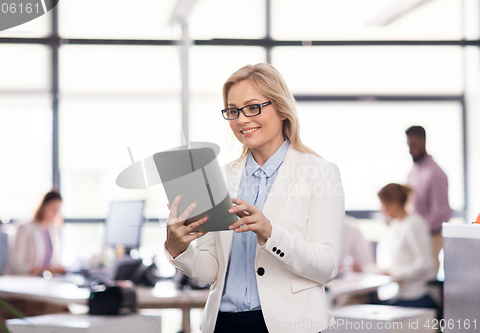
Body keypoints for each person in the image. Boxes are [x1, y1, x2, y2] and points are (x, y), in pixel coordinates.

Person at [164, 63, 344, 333]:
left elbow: (326, 268)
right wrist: (178, 249)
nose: (242, 120)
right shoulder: (221, 178)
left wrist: (271, 233)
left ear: (282, 109)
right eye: (234, 111)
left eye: (252, 107)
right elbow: (213, 270)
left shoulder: (319, 173)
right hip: (223, 323)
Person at [377, 183, 437, 309]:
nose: (381, 209)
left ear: (393, 203)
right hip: (401, 293)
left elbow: (425, 264)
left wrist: (395, 273)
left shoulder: (414, 224)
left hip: (417, 294)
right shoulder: (396, 224)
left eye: (383, 204)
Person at [406, 126, 451, 275]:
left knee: (426, 277)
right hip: (416, 233)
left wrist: (420, 229)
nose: (411, 149)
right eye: (408, 145)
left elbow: (441, 213)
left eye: (414, 145)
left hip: (431, 235)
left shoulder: (435, 173)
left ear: (423, 141)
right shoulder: (413, 172)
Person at [6, 191, 65, 275]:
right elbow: (16, 266)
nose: (56, 213)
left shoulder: (53, 231)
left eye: (58, 210)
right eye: (53, 208)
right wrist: (45, 270)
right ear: (43, 207)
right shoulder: (24, 229)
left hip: (47, 281)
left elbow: (55, 262)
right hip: (24, 280)